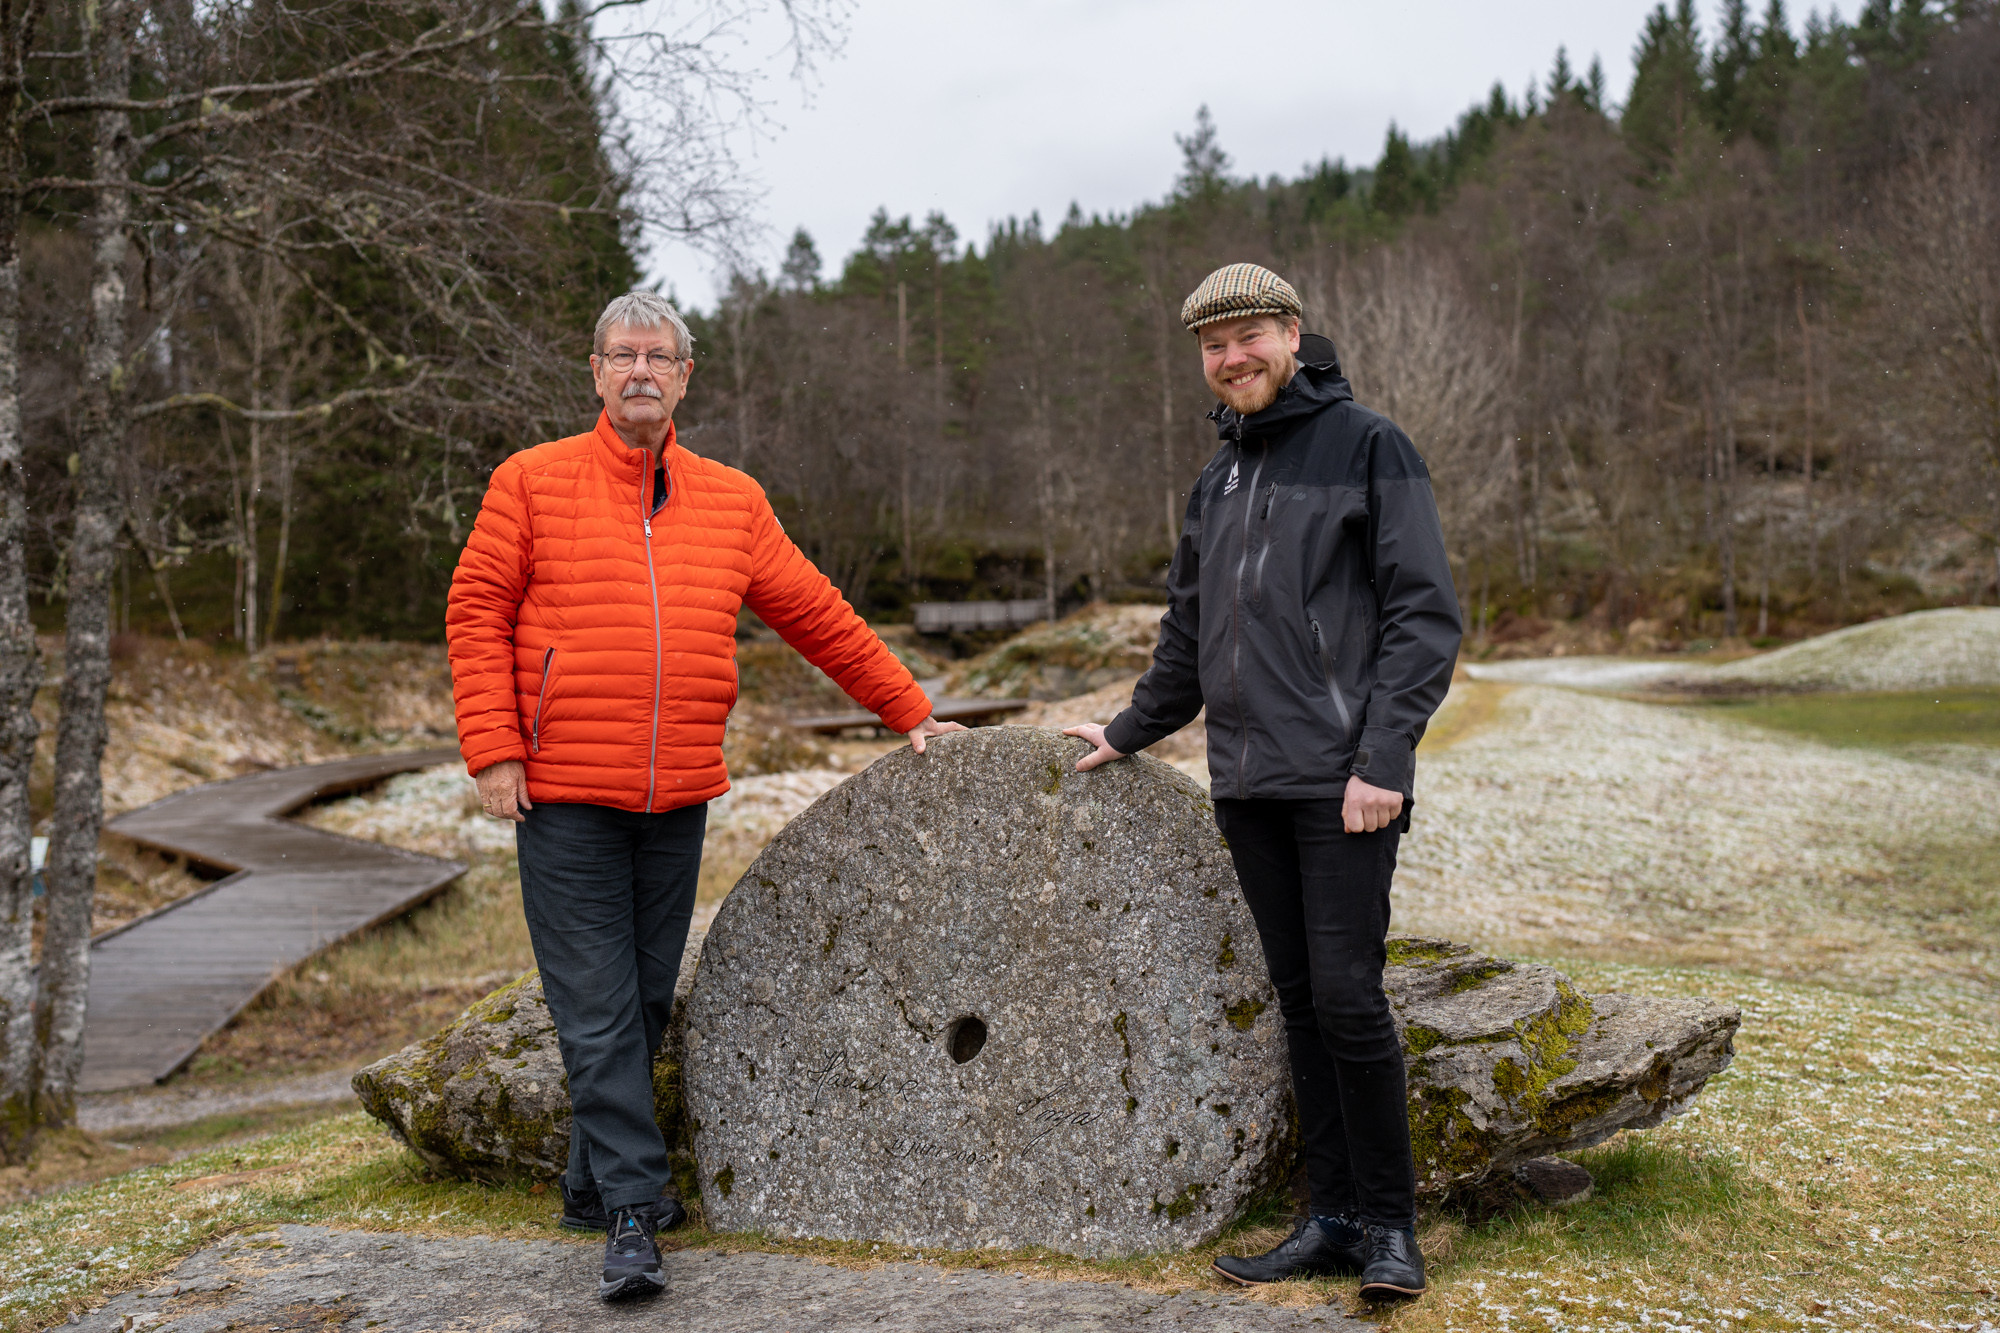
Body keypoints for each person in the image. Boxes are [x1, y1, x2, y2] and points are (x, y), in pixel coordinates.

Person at [446, 291, 963, 1302]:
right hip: (562, 792)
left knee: (641, 1000)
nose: (640, 370)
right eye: (622, 355)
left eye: (659, 356)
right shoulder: (530, 481)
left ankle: (589, 1184)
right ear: (596, 373)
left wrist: (908, 709)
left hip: (676, 795)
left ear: (685, 377)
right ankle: (636, 1211)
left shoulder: (732, 499)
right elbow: (475, 612)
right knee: (596, 1007)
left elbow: (814, 611)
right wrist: (494, 748)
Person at [1064, 263, 1461, 1303]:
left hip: (1343, 784)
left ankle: (1390, 1228)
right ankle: (1329, 1217)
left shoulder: (1369, 445)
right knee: (1298, 1004)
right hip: (1246, 784)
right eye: (1213, 345)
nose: (1232, 358)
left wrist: (1382, 761)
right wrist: (1129, 729)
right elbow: (1189, 632)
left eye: (1248, 336)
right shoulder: (1219, 478)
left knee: (1347, 998)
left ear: (1290, 333)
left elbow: (1422, 616)